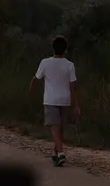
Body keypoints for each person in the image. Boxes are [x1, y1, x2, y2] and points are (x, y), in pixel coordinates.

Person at [28, 35, 80, 166]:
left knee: (55, 126)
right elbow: (74, 86)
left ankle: (60, 152)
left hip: (50, 99)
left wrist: (31, 91)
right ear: (65, 50)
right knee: (60, 127)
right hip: (65, 99)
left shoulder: (45, 62)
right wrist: (76, 105)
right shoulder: (70, 65)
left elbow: (36, 78)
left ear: (52, 48)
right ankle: (55, 153)